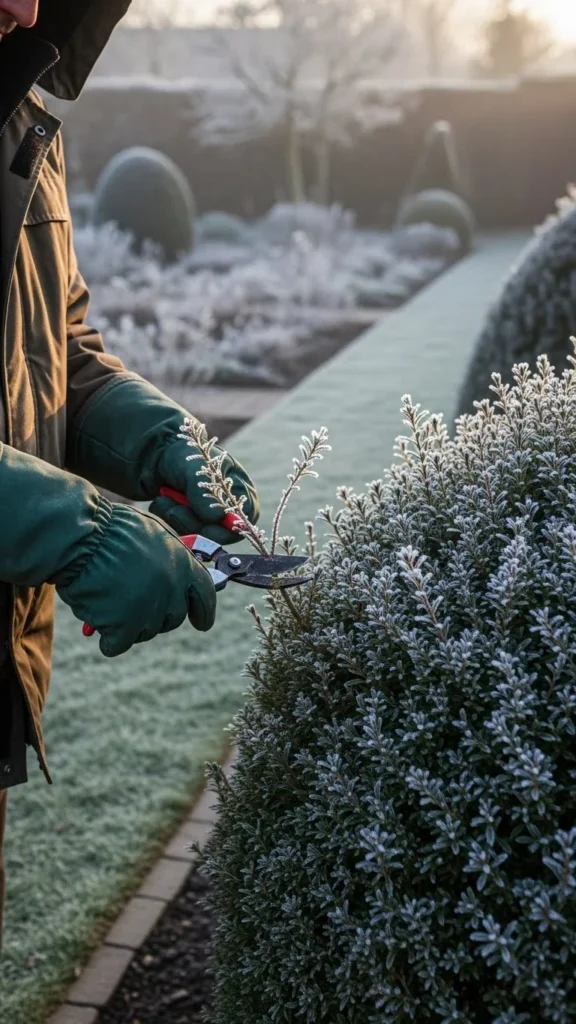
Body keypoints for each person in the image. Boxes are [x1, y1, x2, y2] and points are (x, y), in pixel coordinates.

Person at [0, 0, 260, 946]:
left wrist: (153, 439)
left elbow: (54, 346)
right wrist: (72, 526)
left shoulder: (22, 120)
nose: (28, 7)